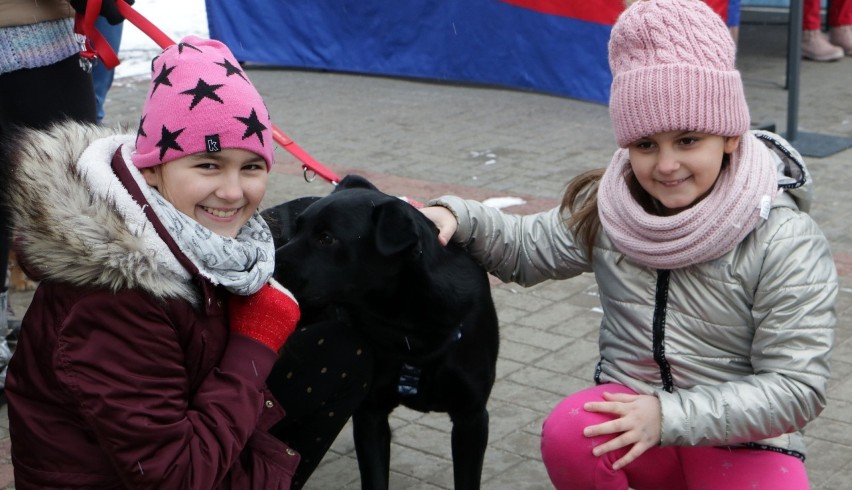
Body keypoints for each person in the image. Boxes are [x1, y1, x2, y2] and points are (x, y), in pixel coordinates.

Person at [420, 0, 837, 488]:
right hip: (636, 420)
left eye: (687, 140)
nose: (665, 165)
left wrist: (667, 414)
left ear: (727, 137)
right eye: (645, 144)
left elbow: (796, 387)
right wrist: (454, 215)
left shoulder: (784, 238)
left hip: (739, 436)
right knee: (572, 433)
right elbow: (527, 246)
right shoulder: (613, 208)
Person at [2, 35, 370, 488]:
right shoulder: (115, 298)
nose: (234, 192)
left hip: (182, 445)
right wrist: (255, 344)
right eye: (209, 165)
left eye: (251, 167)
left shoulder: (185, 235)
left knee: (348, 343)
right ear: (153, 169)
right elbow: (176, 477)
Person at [0, 0, 100, 406]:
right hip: (41, 43)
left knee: (80, 195)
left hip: (49, 44)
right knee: (76, 194)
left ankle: (92, 338)